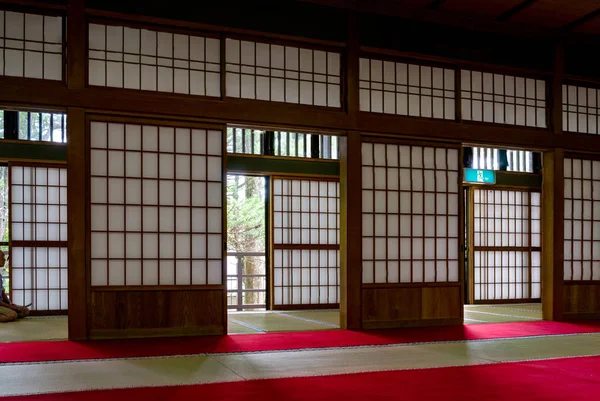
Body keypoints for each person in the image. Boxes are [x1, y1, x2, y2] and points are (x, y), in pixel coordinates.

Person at [0, 250, 29, 323]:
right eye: (2, 256)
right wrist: (9, 307)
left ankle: (6, 315)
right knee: (13, 314)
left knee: (25, 310)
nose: (4, 259)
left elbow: (2, 293)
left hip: (2, 303)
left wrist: (10, 303)